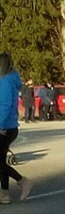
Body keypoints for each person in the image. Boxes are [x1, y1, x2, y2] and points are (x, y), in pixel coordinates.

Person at [0, 54, 33, 204]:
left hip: (5, 127)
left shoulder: (5, 81)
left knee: (0, 162)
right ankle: (5, 194)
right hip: (9, 126)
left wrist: (0, 125)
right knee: (1, 160)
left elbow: (5, 105)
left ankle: (22, 181)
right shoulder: (10, 80)